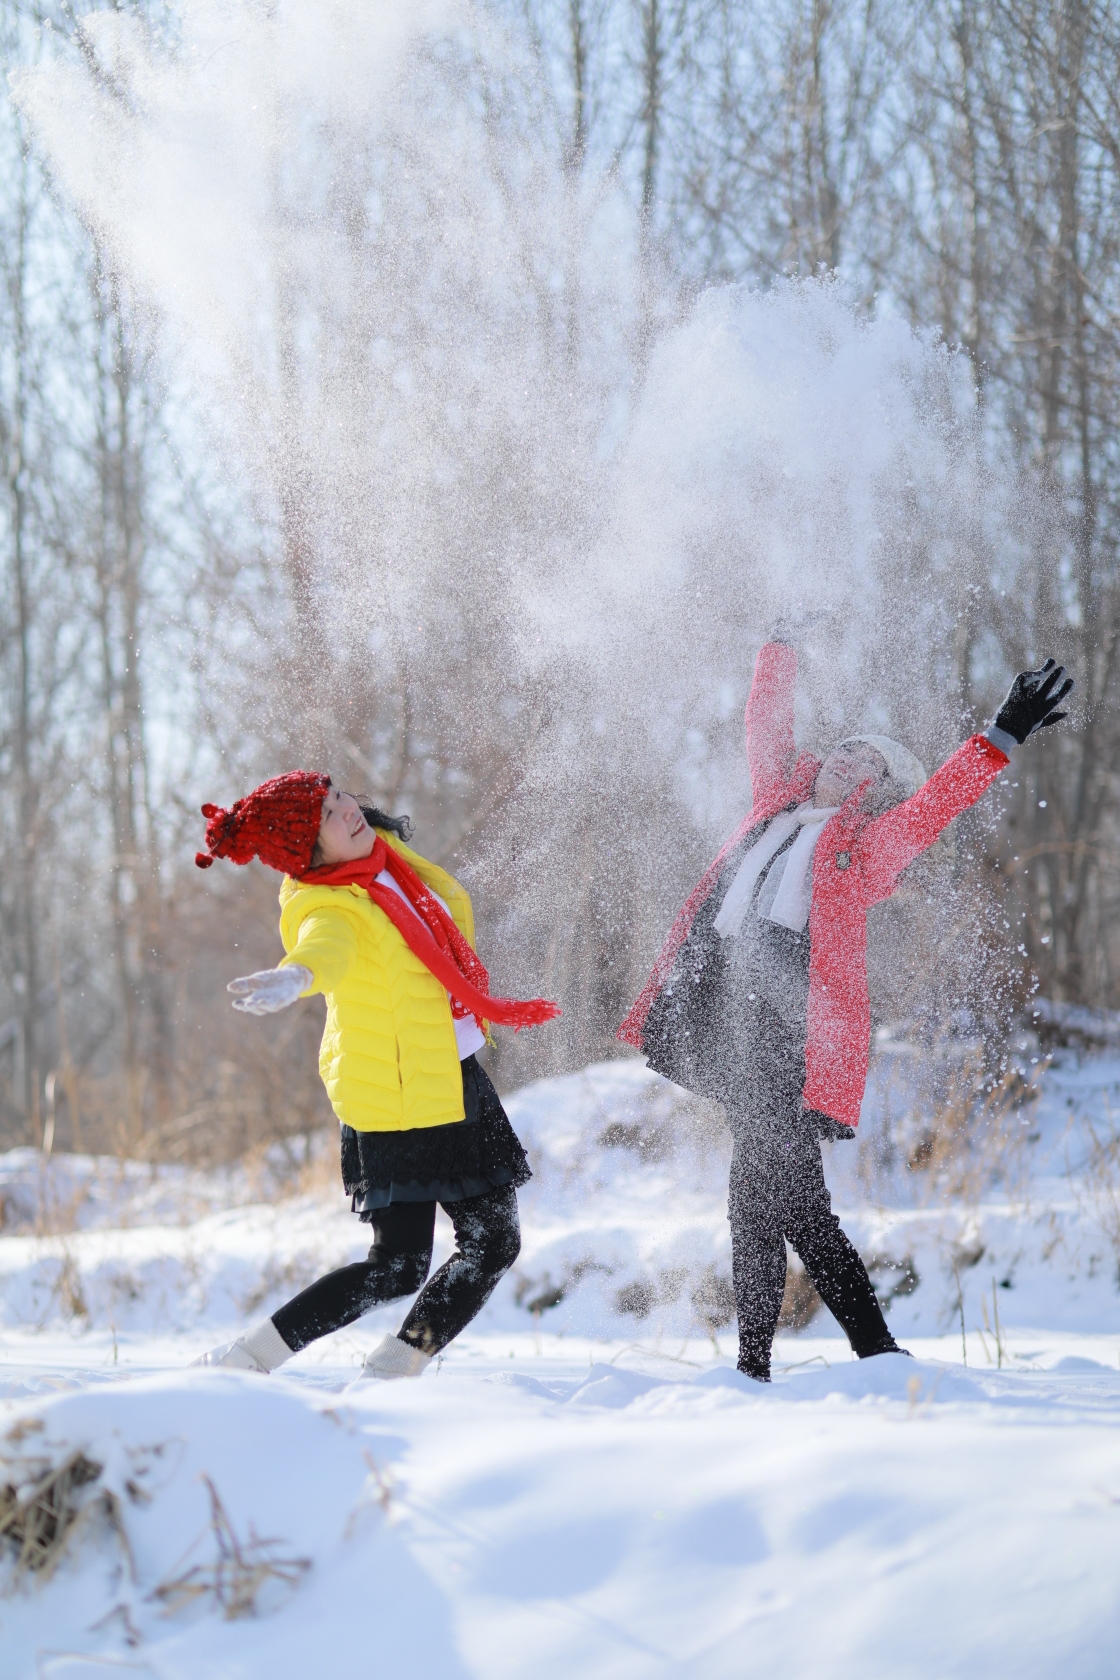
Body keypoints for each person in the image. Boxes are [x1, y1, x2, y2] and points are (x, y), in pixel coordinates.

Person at [618, 640, 1072, 1381]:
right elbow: (764, 726)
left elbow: (930, 813)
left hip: (787, 1033)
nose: (849, 760)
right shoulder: (776, 804)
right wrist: (780, 646)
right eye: (847, 748)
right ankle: (809, 1361)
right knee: (771, 1203)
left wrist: (999, 738)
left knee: (779, 1205)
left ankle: (828, 1360)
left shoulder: (862, 849)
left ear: (878, 792)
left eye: (871, 764)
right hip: (728, 1013)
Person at [191, 772, 559, 1381]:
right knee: (399, 1265)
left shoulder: (386, 856)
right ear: (310, 855)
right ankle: (249, 1361)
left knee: (488, 1244)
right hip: (393, 1092)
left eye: (340, 798)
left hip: (448, 1072)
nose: (347, 812)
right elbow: (323, 946)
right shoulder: (329, 903)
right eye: (328, 817)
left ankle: (394, 1366)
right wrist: (297, 977)